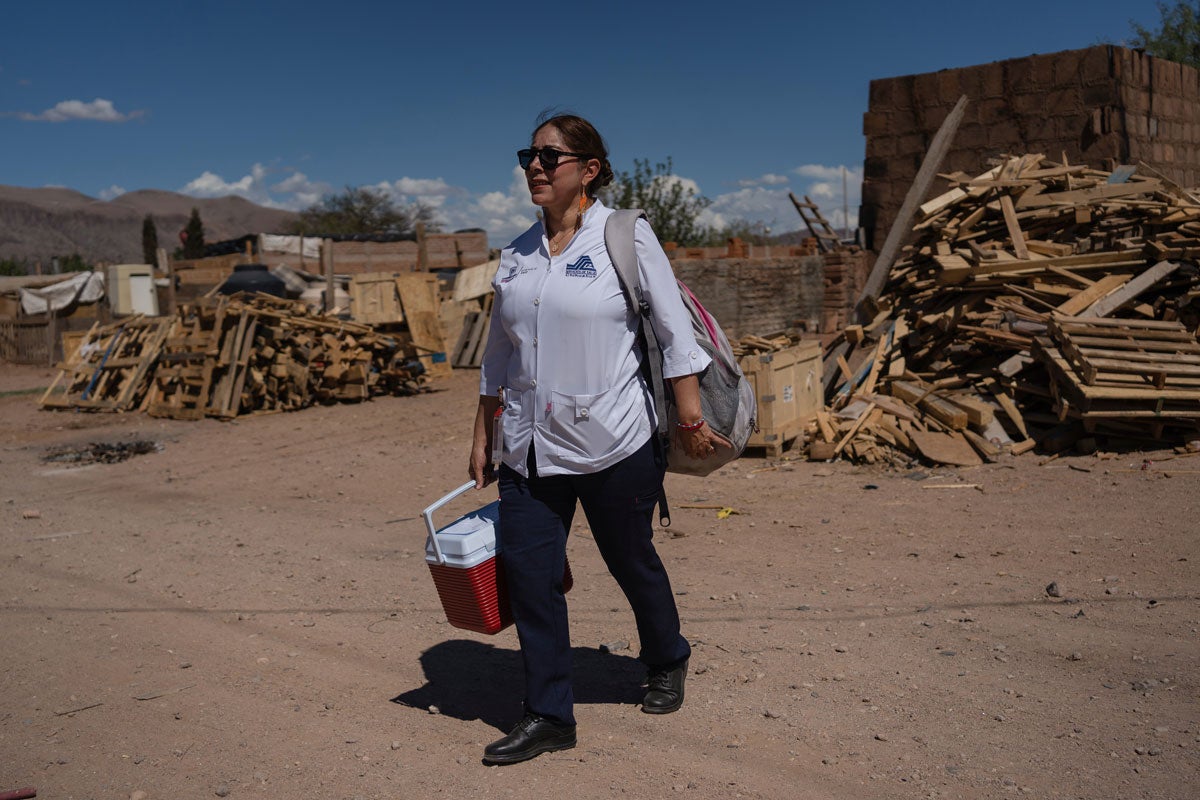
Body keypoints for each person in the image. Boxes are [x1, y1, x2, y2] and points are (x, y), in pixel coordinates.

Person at [468, 112, 723, 766]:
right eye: (530, 154)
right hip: (528, 445)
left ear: (590, 169)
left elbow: (674, 333)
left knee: (629, 560)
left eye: (550, 157)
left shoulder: (625, 235)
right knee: (529, 577)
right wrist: (483, 431)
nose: (534, 166)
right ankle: (549, 713)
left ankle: (668, 657)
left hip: (616, 441)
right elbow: (499, 353)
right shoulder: (517, 253)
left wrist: (690, 421)